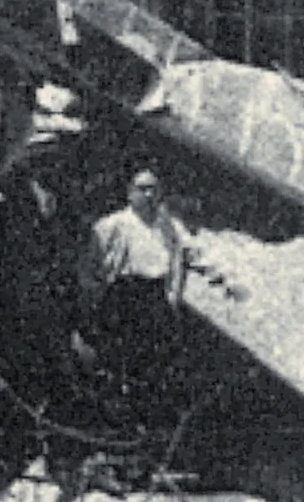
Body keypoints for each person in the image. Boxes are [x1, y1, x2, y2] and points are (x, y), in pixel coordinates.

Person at [84, 167, 189, 421]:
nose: (149, 194)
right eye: (142, 188)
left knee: (154, 357)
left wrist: (174, 292)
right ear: (130, 192)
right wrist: (97, 293)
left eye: (154, 188)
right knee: (117, 355)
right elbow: (89, 263)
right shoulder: (113, 224)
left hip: (154, 295)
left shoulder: (169, 227)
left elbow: (181, 256)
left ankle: (147, 413)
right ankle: (113, 413)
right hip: (124, 293)